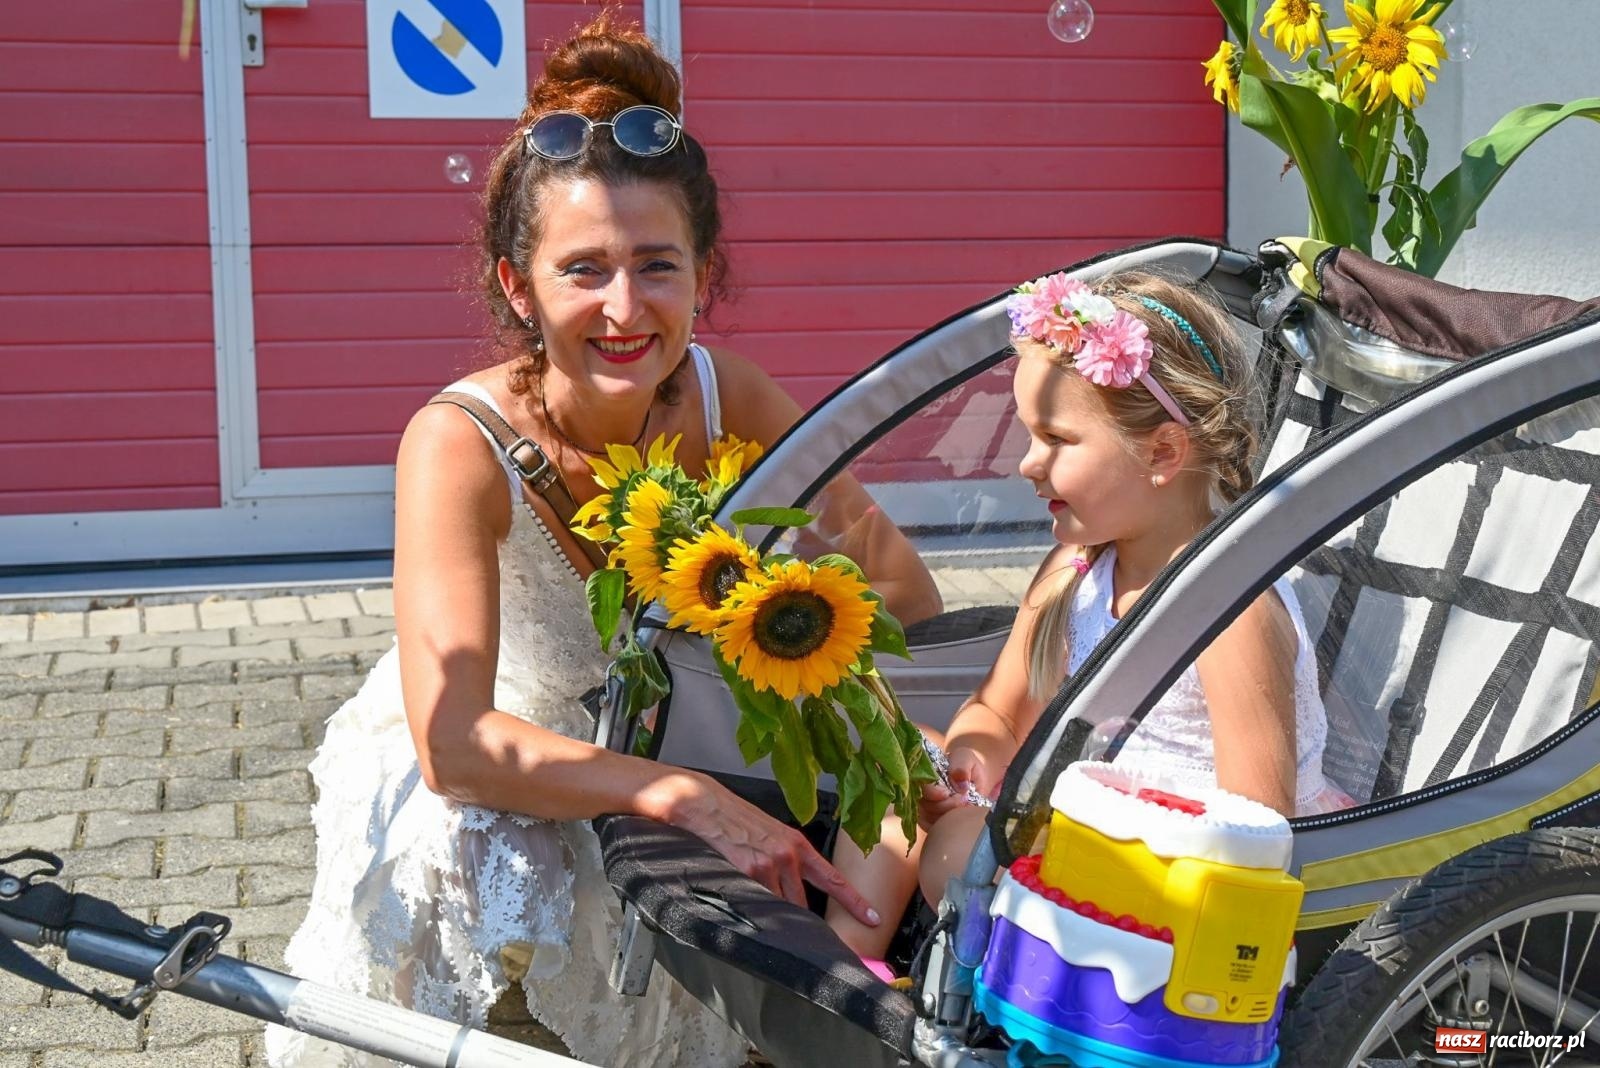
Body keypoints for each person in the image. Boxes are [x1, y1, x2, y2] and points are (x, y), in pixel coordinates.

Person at [265, 14, 941, 1067]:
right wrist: (680, 792)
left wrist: (855, 708)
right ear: (515, 285)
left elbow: (903, 594)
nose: (625, 309)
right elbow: (454, 745)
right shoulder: (458, 442)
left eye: (656, 267)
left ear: (703, 275)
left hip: (682, 735)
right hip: (511, 748)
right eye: (583, 270)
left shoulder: (737, 398)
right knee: (465, 851)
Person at [824, 270, 1352, 978]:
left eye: (1056, 439)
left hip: (1169, 878)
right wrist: (968, 763)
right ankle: (844, 968)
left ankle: (960, 980)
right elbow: (997, 711)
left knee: (958, 849)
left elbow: (1255, 835)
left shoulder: (1230, 612)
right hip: (1081, 824)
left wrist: (1016, 826)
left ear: (1163, 453)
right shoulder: (1075, 567)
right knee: (901, 755)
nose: (1026, 464)